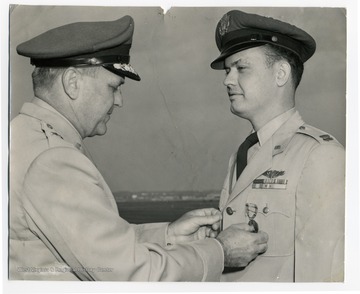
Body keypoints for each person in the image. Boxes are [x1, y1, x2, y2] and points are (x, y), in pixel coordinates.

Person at [9, 15, 268, 281]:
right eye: (113, 87)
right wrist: (220, 251)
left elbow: (93, 246)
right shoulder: (53, 159)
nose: (119, 101)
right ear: (72, 83)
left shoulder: (23, 138)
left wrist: (169, 235)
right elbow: (130, 274)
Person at [210, 10, 345, 282]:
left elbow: (325, 275)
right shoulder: (244, 153)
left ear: (281, 73)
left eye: (241, 68)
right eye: (227, 71)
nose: (227, 80)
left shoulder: (320, 155)